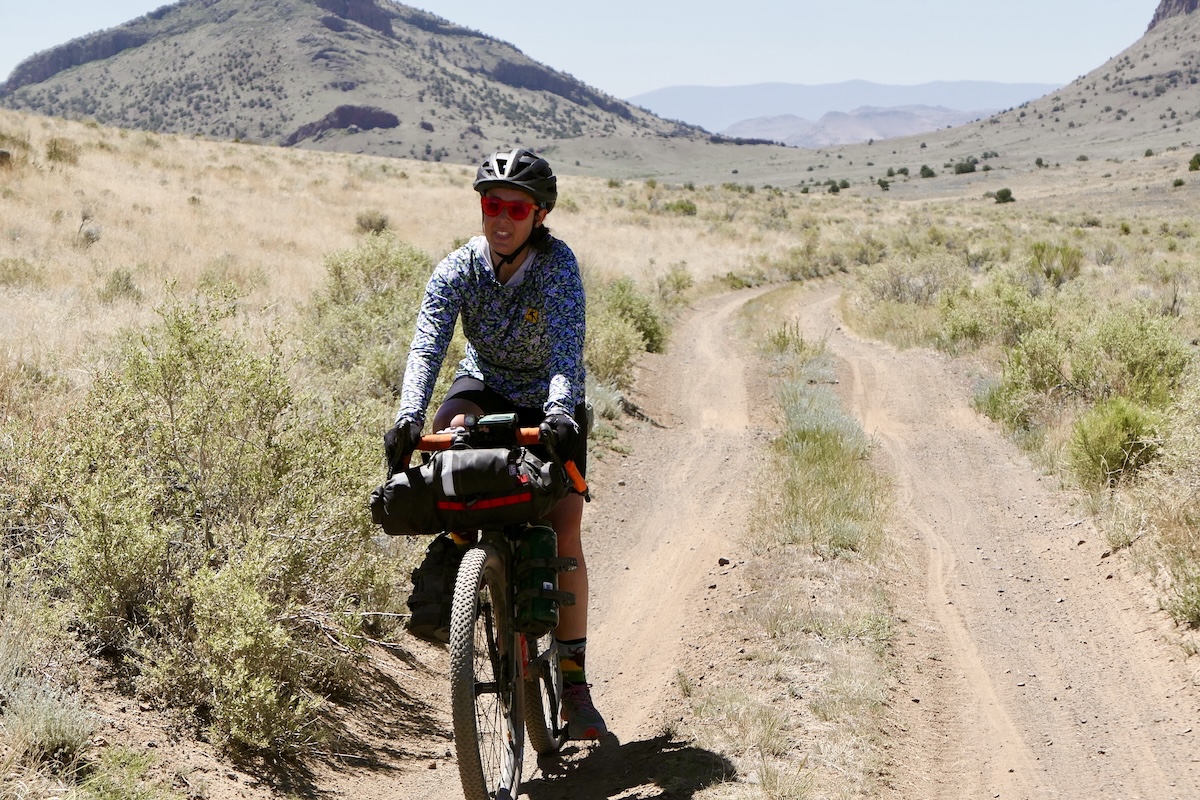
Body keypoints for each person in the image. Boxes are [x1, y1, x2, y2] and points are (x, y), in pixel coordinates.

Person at [383, 148, 606, 740]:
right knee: (449, 438)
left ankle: (575, 683)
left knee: (564, 526)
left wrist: (560, 414)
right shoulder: (457, 269)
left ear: (539, 214)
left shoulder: (557, 268)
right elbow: (427, 344)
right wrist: (409, 417)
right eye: (491, 205)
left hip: (546, 398)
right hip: (483, 387)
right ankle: (460, 561)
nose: (501, 218)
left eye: (515, 208)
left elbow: (566, 353)